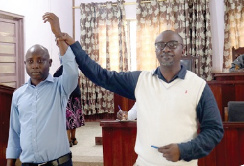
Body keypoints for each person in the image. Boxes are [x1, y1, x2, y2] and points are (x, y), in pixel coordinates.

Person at [57, 28, 224, 165]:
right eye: (160, 45)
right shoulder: (141, 80)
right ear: (155, 51)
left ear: (183, 49)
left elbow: (214, 130)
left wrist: (184, 150)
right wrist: (74, 46)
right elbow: (102, 76)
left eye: (172, 44)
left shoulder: (198, 85)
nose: (165, 49)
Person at [6, 13, 78, 166]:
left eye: (41, 60)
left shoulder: (60, 88)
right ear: (25, 64)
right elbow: (14, 132)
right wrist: (10, 162)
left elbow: (71, 70)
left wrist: (58, 34)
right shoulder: (18, 95)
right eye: (30, 61)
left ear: (50, 62)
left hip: (59, 163)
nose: (35, 65)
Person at [53, 65, 85, 147]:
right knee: (75, 117)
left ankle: (69, 140)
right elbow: (78, 81)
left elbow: (55, 76)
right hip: (76, 94)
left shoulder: (63, 67)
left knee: (68, 118)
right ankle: (73, 139)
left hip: (67, 95)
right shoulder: (76, 67)